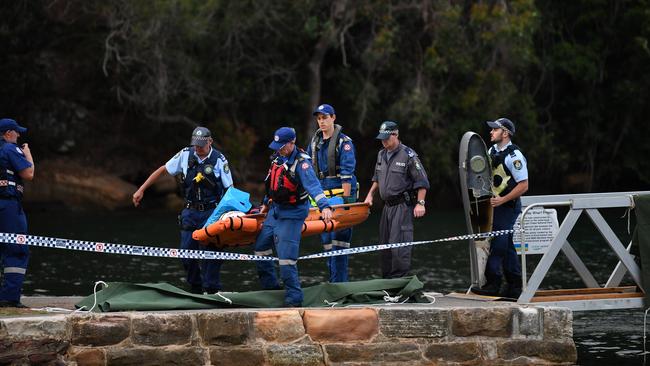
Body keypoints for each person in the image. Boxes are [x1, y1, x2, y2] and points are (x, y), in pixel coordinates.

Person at [132, 126, 233, 294]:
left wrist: (227, 215)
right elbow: (163, 169)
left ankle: (213, 289)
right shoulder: (186, 154)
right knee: (186, 254)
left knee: (211, 255)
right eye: (196, 144)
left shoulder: (219, 160)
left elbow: (230, 190)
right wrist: (141, 189)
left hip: (212, 212)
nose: (198, 148)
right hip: (190, 211)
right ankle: (196, 288)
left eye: (201, 144)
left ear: (210, 142)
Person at [254, 127, 333, 306]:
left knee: (286, 259)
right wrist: (266, 203)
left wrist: (325, 206)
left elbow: (313, 186)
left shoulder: (302, 163)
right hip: (276, 209)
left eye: (282, 146)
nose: (279, 149)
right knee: (260, 248)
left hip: (293, 213)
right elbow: (273, 185)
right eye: (277, 146)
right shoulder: (277, 158)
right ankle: (271, 290)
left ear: (292, 143)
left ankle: (294, 300)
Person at [363, 121, 429, 278]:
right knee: (384, 247)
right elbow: (377, 177)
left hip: (402, 206)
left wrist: (420, 203)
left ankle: (400, 282)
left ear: (396, 135)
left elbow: (422, 182)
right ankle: (387, 282)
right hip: (387, 208)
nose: (384, 141)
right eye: (382, 138)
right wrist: (370, 194)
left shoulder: (408, 155)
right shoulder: (381, 154)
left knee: (399, 247)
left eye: (387, 137)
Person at [471, 117, 528, 298]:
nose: (491, 132)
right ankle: (515, 286)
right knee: (507, 245)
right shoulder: (491, 150)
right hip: (496, 205)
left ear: (505, 133)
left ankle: (493, 283)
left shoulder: (515, 157)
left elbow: (524, 185)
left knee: (499, 244)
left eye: (495, 129)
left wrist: (502, 200)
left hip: (507, 206)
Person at [307, 103, 357, 283]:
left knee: (339, 243)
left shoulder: (344, 143)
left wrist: (344, 205)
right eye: (319, 118)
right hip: (322, 200)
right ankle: (332, 282)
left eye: (325, 117)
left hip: (339, 198)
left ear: (333, 118)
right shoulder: (315, 143)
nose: (321, 122)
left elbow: (347, 174)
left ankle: (339, 284)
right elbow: (308, 173)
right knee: (327, 242)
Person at [0, 118, 35, 308]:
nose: (19, 135)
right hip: (8, 207)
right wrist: (28, 154)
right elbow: (29, 174)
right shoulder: (9, 149)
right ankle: (9, 298)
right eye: (16, 132)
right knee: (17, 250)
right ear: (8, 134)